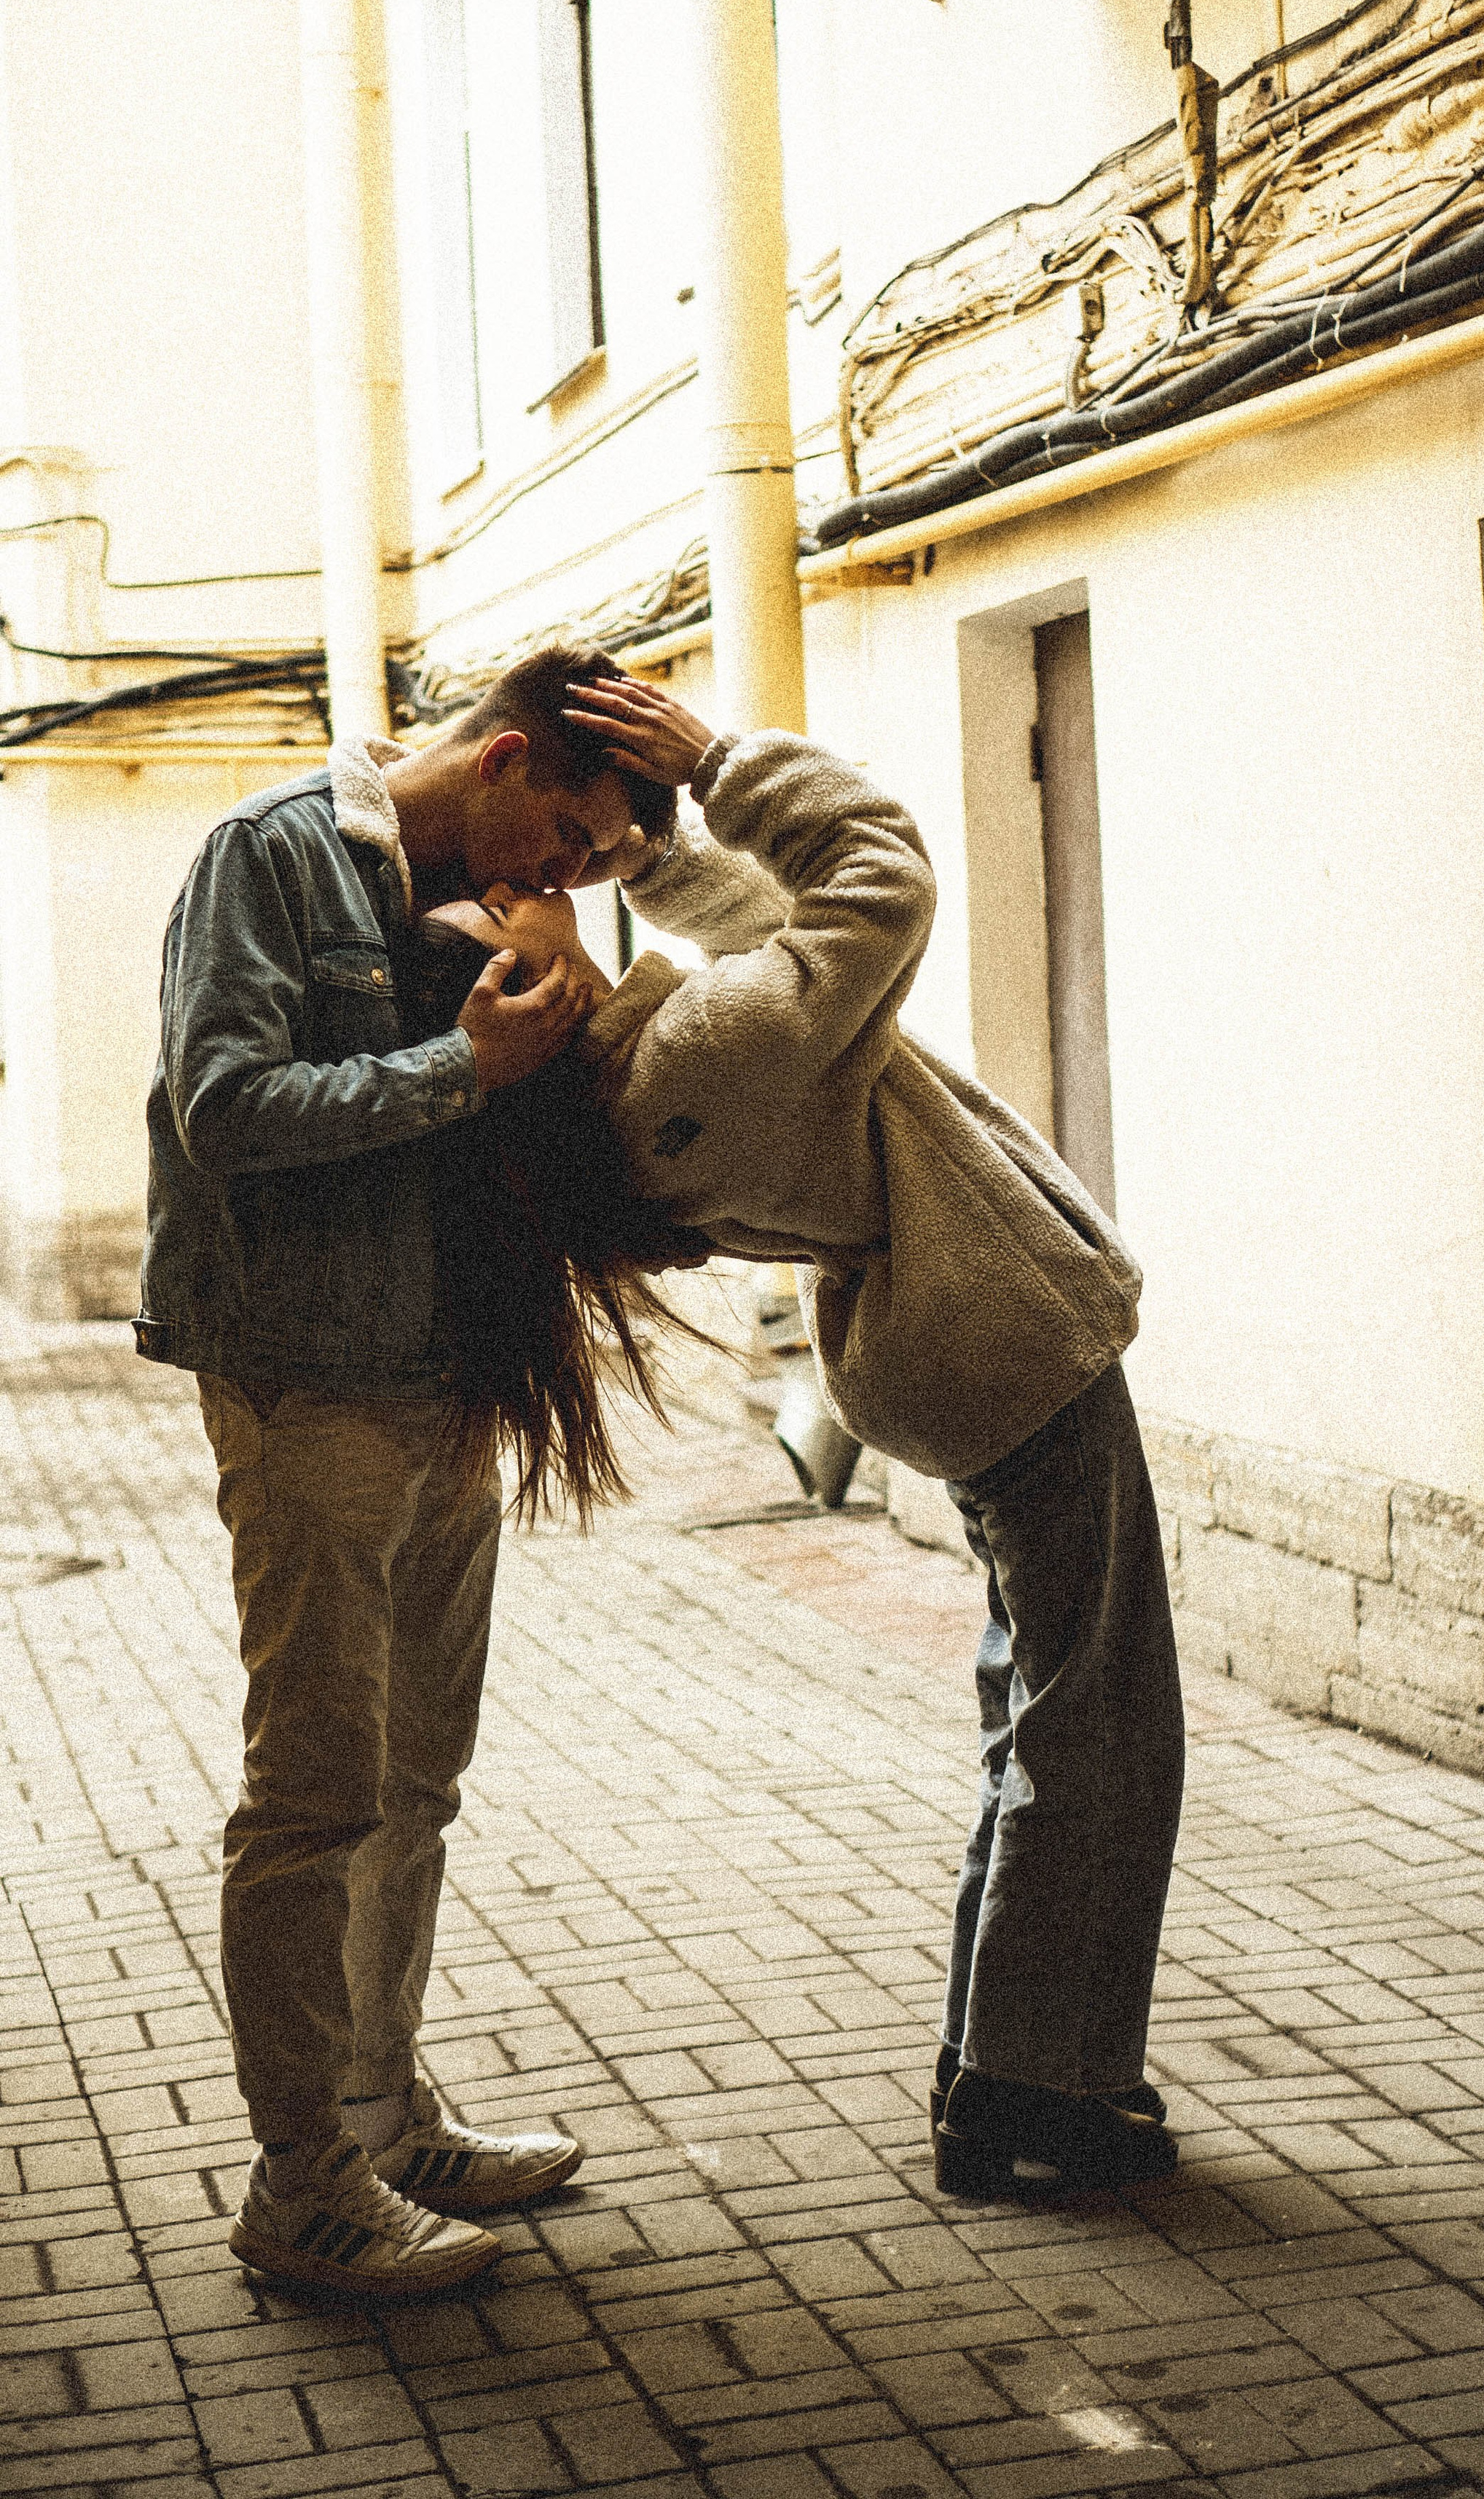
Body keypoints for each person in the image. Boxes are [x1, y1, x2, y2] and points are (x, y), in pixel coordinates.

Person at [478, 673, 1187, 2198]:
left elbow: (748, 941)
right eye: (513, 907)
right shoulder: (687, 1063)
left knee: (1046, 1707)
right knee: (1096, 1726)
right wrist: (723, 765)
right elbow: (876, 882)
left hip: (958, 1351)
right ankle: (1033, 2098)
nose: (540, 887)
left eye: (563, 861)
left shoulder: (637, 1082)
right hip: (1002, 1347)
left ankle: (1006, 2062)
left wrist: (651, 857)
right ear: (514, 1003)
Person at [136, 642, 675, 2301]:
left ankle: (381, 2109)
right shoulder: (273, 853)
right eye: (571, 841)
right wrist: (466, 1066)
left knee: (416, 1779)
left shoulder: (479, 909)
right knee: (313, 1795)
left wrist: (560, 1007)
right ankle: (300, 2185)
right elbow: (224, 1110)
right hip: (309, 1380)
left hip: (447, 1384)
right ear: (504, 759)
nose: (563, 881)